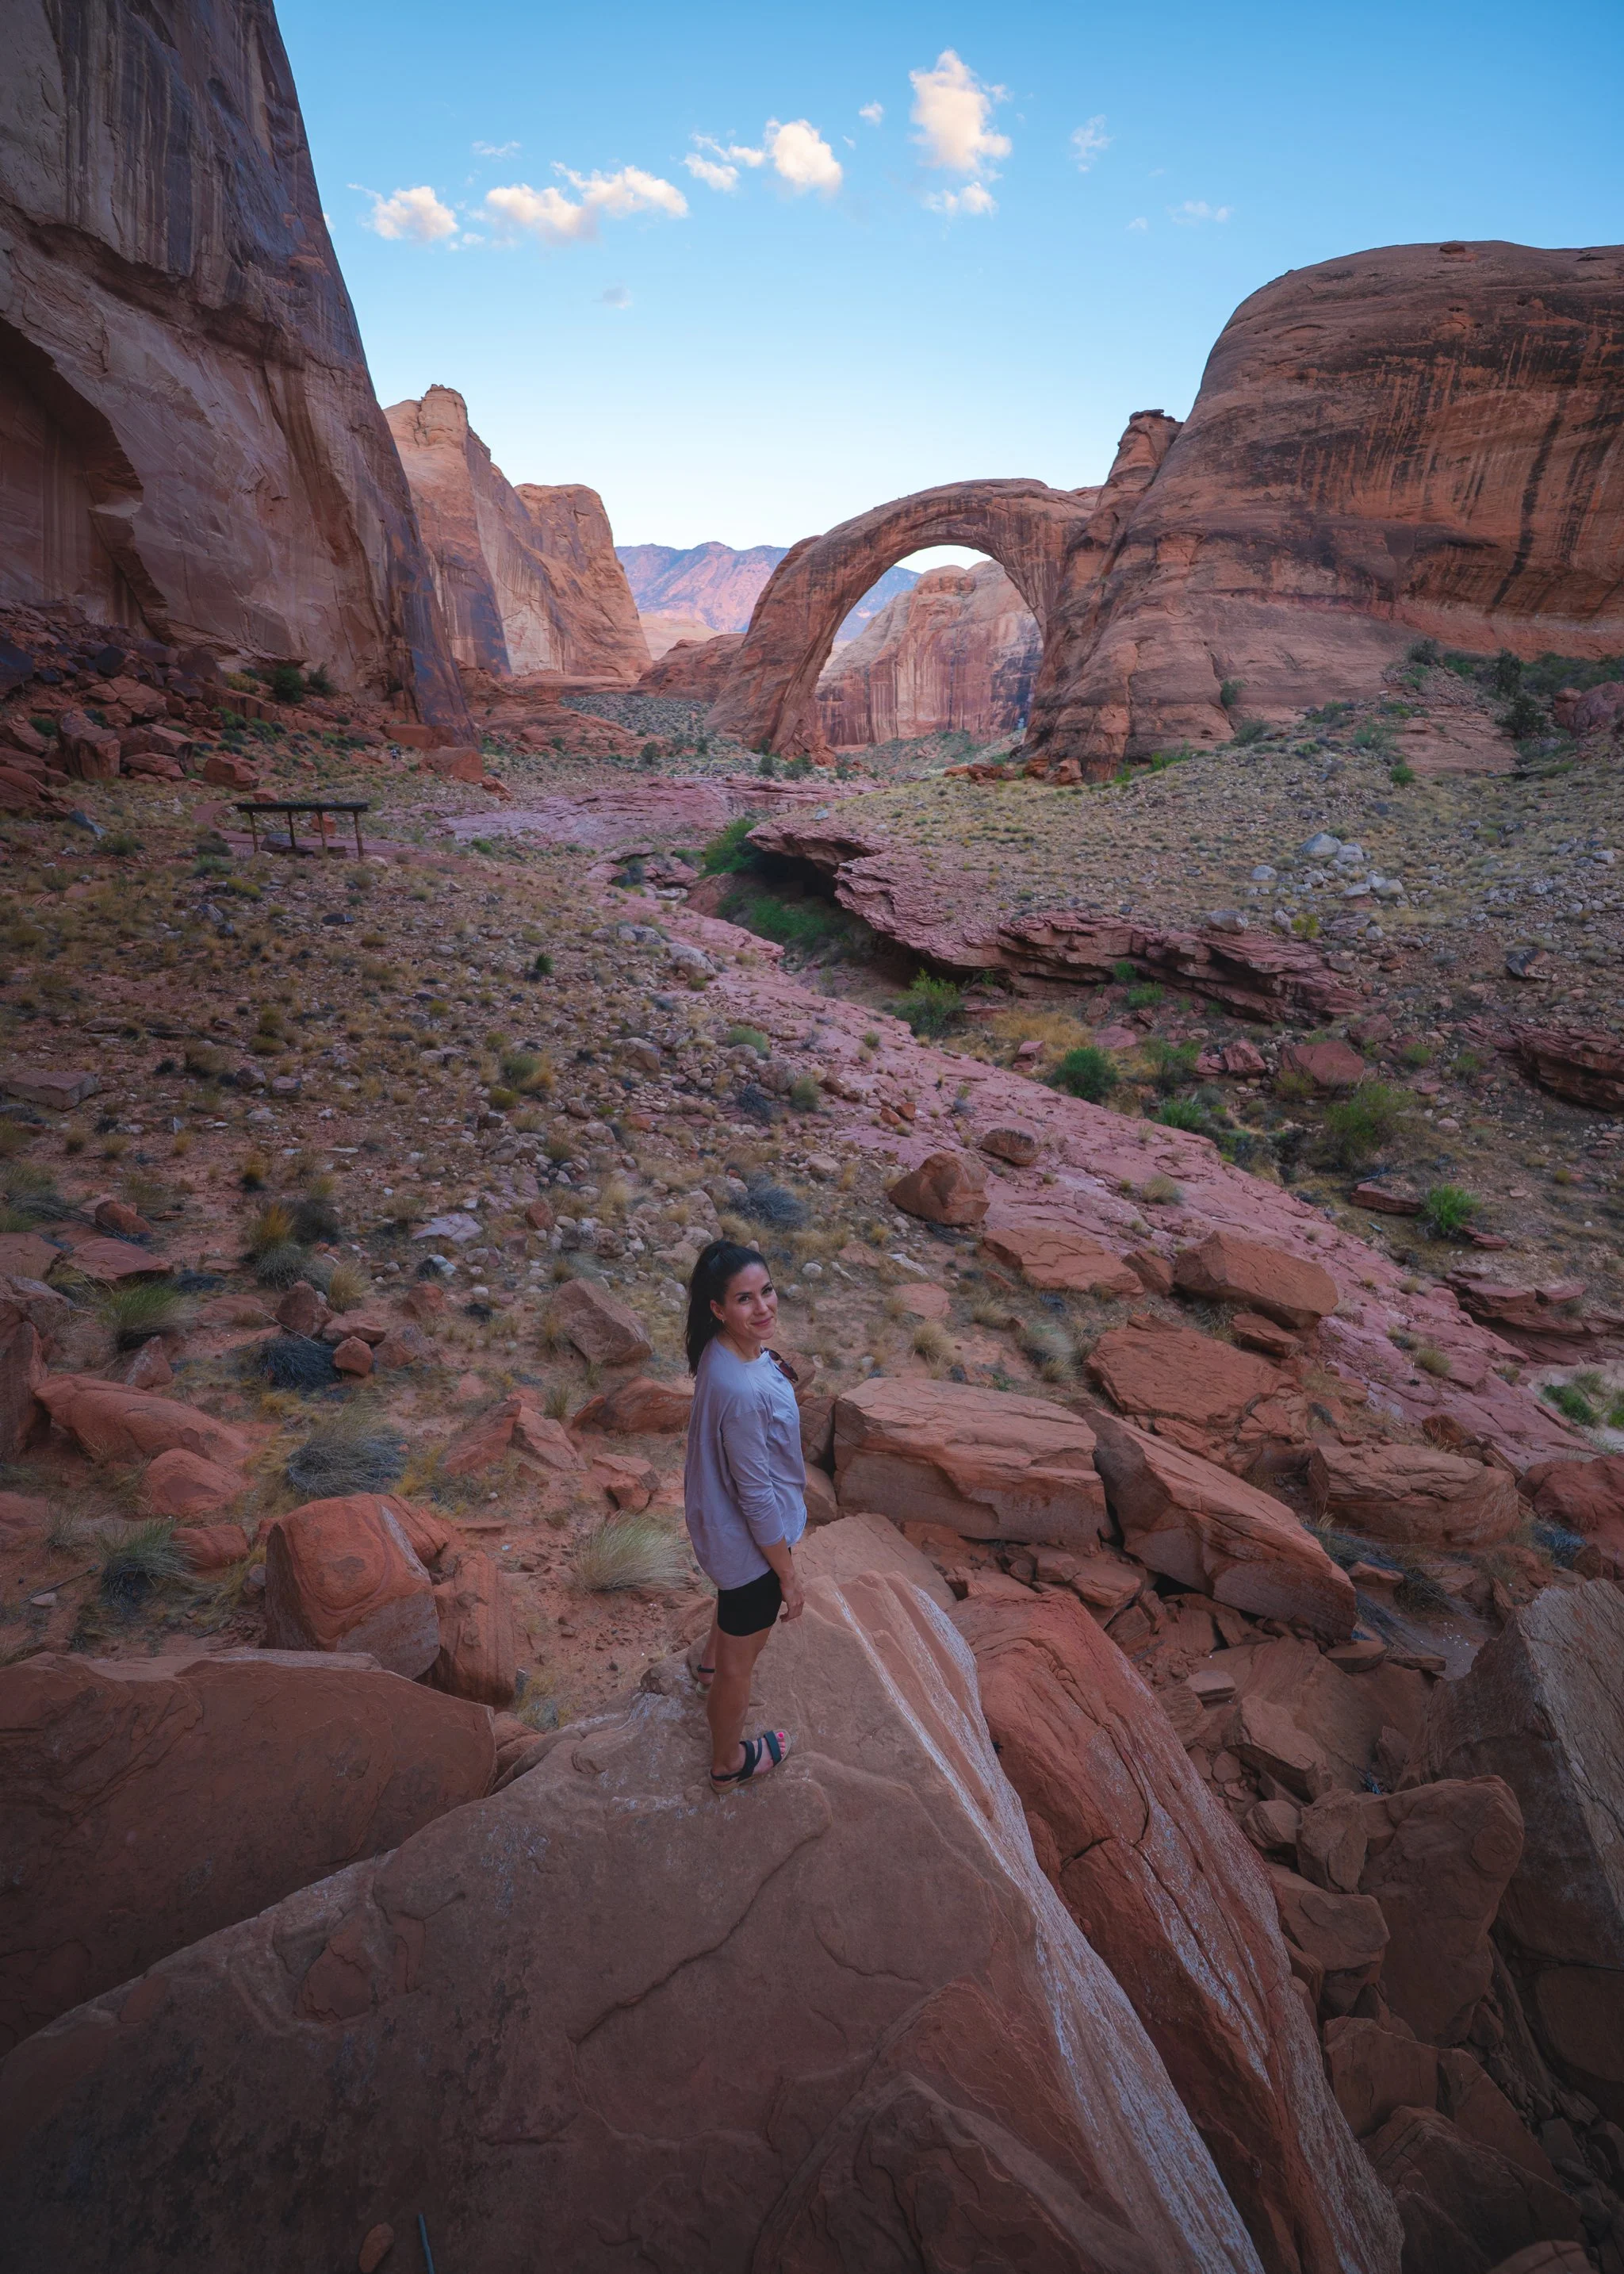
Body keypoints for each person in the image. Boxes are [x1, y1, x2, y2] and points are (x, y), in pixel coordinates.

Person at [683, 1238, 806, 1789]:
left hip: (722, 1527)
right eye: (743, 1299)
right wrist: (787, 1573)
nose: (763, 1308)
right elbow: (757, 1498)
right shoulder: (740, 1392)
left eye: (767, 1291)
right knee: (741, 1666)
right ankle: (727, 1763)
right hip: (752, 1548)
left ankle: (708, 1660)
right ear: (717, 1309)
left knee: (728, 1623)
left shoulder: (718, 1349)